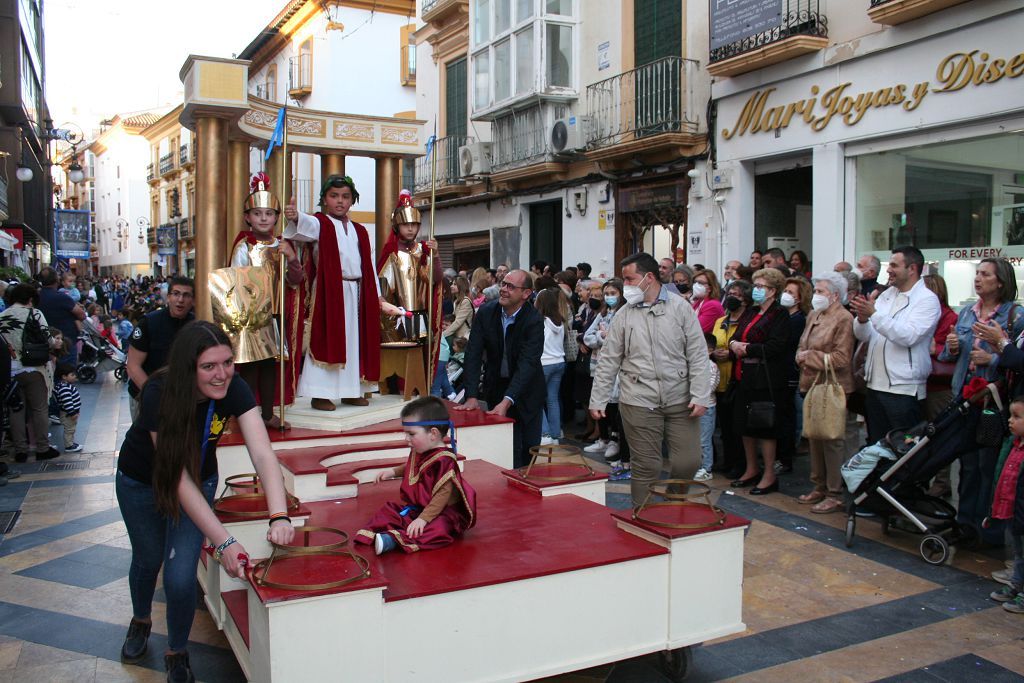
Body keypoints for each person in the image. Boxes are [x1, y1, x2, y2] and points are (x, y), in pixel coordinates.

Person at [116, 321, 295, 682]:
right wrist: (224, 540)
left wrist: (279, 515)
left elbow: (262, 453)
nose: (222, 374)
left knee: (181, 576)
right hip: (141, 482)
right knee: (149, 558)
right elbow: (175, 477)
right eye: (209, 366)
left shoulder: (234, 386)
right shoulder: (158, 392)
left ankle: (177, 651)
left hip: (198, 479)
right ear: (188, 367)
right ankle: (141, 619)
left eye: (227, 362)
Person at [590, 253, 711, 503]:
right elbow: (609, 359)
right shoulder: (624, 314)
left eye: (629, 279)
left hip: (680, 399)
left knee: (688, 461)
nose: (626, 286)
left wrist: (701, 395)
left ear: (649, 277)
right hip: (638, 399)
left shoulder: (680, 308)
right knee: (647, 466)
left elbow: (698, 355)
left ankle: (673, 503)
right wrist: (598, 399)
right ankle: (642, 517)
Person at [284, 175, 392, 410]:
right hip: (329, 292)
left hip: (358, 291)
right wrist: (296, 216)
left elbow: (369, 265)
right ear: (324, 199)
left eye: (345, 197)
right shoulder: (320, 223)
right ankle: (319, 393)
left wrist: (377, 296)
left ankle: (352, 390)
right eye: (334, 196)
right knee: (328, 338)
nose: (340, 202)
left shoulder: (361, 231)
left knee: (354, 342)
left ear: (353, 200)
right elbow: (304, 226)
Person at [939, 257, 1024, 539]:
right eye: (977, 273)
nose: (978, 278)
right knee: (967, 464)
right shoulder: (966, 313)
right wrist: (952, 348)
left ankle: (987, 530)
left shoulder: (1014, 315)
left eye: (985, 274)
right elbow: (949, 355)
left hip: (992, 402)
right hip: (965, 397)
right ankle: (965, 524)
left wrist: (993, 358)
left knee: (988, 465)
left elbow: (1017, 360)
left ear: (1000, 281)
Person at [216, 172, 305, 430]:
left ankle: (267, 413)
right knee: (250, 367)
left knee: (270, 365)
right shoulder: (244, 245)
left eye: (269, 213)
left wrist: (291, 258)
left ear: (277, 217)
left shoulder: (283, 244)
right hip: (251, 315)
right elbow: (237, 279)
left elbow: (295, 280)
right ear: (248, 217)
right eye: (257, 213)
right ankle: (246, 414)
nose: (264, 218)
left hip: (276, 312)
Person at [356, 397, 477, 555]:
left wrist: (423, 518)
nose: (406, 439)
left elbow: (442, 495)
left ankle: (393, 540)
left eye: (411, 434)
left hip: (442, 512)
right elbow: (414, 467)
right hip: (421, 508)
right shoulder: (422, 449)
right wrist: (393, 472)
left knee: (439, 528)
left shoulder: (445, 460)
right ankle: (379, 534)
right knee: (389, 512)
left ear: (433, 433)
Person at [454, 269, 544, 468]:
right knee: (504, 448)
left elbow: (527, 364)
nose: (503, 289)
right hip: (497, 386)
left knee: (528, 449)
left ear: (526, 294)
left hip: (527, 391)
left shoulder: (533, 320)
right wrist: (471, 395)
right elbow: (473, 353)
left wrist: (508, 400)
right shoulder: (487, 312)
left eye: (511, 287)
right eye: (503, 284)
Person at [850, 246, 938, 445]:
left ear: (912, 269)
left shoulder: (927, 300)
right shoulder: (887, 295)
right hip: (874, 386)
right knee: (877, 447)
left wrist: (873, 314)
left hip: (903, 390)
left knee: (904, 450)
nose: (888, 270)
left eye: (894, 265)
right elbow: (865, 335)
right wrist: (862, 319)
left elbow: (908, 336)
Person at [795, 272, 855, 514]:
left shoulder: (844, 319)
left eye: (820, 291)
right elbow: (803, 343)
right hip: (811, 384)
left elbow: (842, 357)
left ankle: (835, 492)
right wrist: (801, 355)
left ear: (835, 295)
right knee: (814, 437)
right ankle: (818, 485)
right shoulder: (814, 314)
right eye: (816, 290)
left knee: (831, 440)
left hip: (833, 387)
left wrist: (810, 357)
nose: (816, 295)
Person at [728, 268, 790, 494]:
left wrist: (748, 348)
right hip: (744, 376)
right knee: (744, 426)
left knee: (765, 427)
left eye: (761, 287)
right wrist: (735, 345)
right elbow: (736, 335)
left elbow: (776, 346)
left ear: (773, 290)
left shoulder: (779, 314)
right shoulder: (751, 312)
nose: (756, 290)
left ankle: (769, 475)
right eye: (755, 286)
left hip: (766, 378)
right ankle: (751, 468)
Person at [377, 189, 444, 352]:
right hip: (397, 319)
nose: (410, 229)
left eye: (414, 224)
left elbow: (435, 279)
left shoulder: (424, 250)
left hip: (422, 317)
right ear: (397, 226)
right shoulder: (391, 253)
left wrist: (435, 256)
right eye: (406, 225)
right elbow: (383, 290)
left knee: (421, 365)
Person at [0, 284, 59, 462]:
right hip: (34, 368)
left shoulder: (2, 316)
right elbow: (48, 339)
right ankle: (42, 448)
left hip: (9, 369)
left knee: (16, 409)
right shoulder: (35, 313)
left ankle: (20, 450)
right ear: (31, 299)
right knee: (39, 408)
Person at [126, 276, 196, 421]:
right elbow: (133, 366)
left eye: (186, 295)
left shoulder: (196, 324)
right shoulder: (149, 323)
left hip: (181, 401)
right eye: (176, 294)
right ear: (168, 297)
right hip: (145, 396)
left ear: (193, 300)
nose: (180, 300)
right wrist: (155, 396)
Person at [922, 273, 959, 498]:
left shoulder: (949, 317)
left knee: (941, 433)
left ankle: (942, 481)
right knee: (923, 435)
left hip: (940, 386)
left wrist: (936, 348)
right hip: (922, 383)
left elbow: (948, 351)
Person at [583, 280, 626, 466]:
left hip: (616, 368)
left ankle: (615, 441)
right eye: (606, 293)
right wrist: (602, 336)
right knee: (601, 402)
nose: (609, 297)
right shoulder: (603, 313)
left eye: (612, 292)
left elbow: (616, 340)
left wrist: (604, 337)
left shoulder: (623, 313)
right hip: (599, 364)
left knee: (614, 405)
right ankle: (604, 439)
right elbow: (588, 337)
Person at [988, 397, 1024, 614]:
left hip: (1021, 509)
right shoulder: (1013, 444)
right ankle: (1017, 584)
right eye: (1011, 415)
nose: (1010, 421)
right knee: (1019, 552)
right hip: (1013, 508)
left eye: (1017, 417)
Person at [713, 280, 752, 477]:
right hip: (719, 379)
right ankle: (727, 461)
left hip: (738, 378)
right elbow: (713, 341)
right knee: (725, 427)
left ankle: (740, 463)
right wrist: (714, 353)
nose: (731, 298)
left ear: (745, 299)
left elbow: (746, 345)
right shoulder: (721, 321)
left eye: (736, 295)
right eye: (729, 294)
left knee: (738, 426)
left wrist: (731, 353)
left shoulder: (748, 320)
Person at [776, 277, 811, 474]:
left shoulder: (798, 320)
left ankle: (786, 457)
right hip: (780, 371)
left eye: (791, 292)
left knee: (789, 417)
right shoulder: (783, 316)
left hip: (790, 371)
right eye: (785, 291)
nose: (786, 295)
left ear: (799, 298)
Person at [534, 289, 566, 446]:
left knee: (536, 398)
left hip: (544, 363)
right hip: (559, 362)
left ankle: (545, 434)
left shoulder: (541, 321)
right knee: (552, 398)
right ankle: (555, 434)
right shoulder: (559, 320)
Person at [36, 267, 86, 366]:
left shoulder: (36, 296)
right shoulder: (61, 297)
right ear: (57, 280)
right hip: (65, 340)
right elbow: (81, 315)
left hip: (43, 340)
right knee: (66, 370)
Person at [695, 333, 719, 482]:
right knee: (695, 439)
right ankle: (697, 465)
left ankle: (706, 468)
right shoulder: (693, 364)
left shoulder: (711, 367)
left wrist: (695, 395)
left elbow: (709, 387)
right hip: (692, 406)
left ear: (710, 350)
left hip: (706, 407)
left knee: (704, 439)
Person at [53, 363, 82, 453]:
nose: (74, 376)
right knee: (69, 429)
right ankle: (69, 446)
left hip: (69, 413)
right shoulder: (64, 388)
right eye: (72, 375)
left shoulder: (65, 386)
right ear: (64, 377)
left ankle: (71, 443)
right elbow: (67, 402)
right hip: (68, 414)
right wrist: (72, 413)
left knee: (71, 429)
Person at [691, 269, 725, 333]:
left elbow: (697, 330)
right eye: (695, 282)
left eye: (700, 283)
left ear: (710, 288)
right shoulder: (698, 302)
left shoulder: (712, 305)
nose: (696, 285)